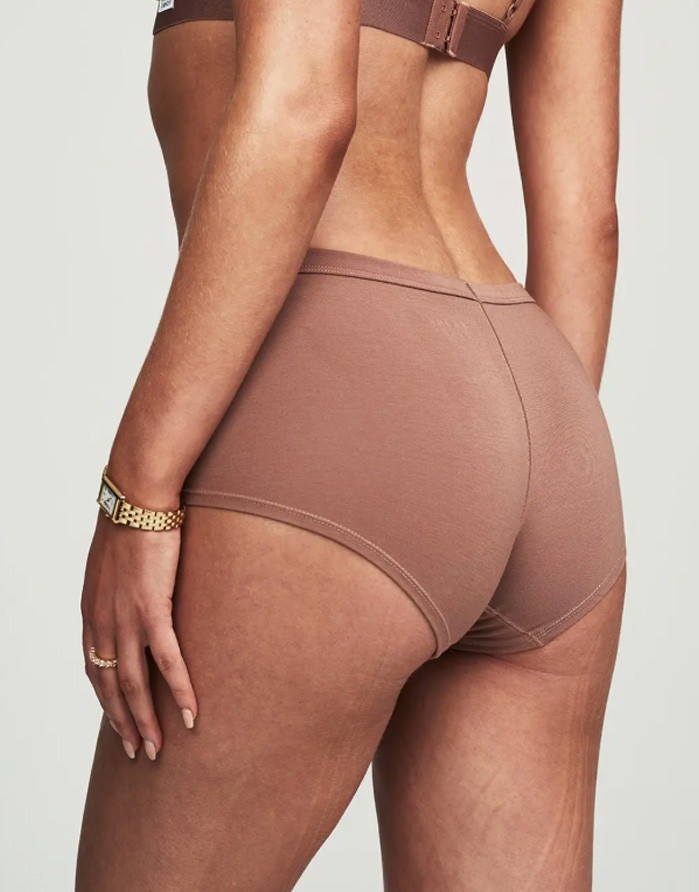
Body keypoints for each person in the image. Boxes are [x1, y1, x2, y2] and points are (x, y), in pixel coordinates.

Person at [75, 0, 627, 888]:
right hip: (544, 409)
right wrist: (506, 479)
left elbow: (302, 106)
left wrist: (135, 492)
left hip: (338, 385)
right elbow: (587, 220)